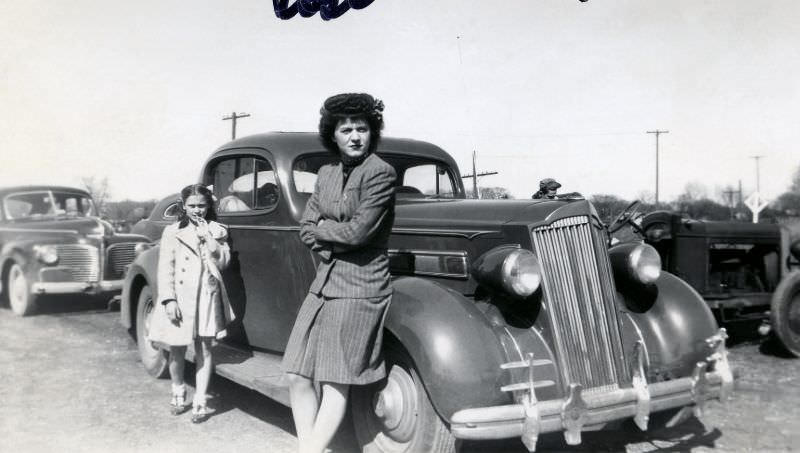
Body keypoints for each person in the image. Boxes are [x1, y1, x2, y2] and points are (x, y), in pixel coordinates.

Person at [281, 93, 396, 453]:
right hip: (325, 283)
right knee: (297, 375)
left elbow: (360, 233)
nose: (355, 136)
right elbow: (305, 228)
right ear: (333, 135)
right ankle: (309, 446)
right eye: (346, 129)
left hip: (361, 287)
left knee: (335, 382)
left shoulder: (380, 173)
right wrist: (331, 233)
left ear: (371, 132)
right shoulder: (326, 174)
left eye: (362, 128)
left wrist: (323, 230)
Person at [147, 184, 235, 423]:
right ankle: (178, 390)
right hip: (181, 299)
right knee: (176, 348)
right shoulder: (173, 232)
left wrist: (209, 238)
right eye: (192, 206)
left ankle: (201, 401)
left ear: (209, 207)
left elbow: (224, 262)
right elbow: (166, 268)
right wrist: (169, 299)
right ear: (183, 207)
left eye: (202, 206)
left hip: (207, 295)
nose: (197, 210)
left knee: (205, 349)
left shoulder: (218, 230)